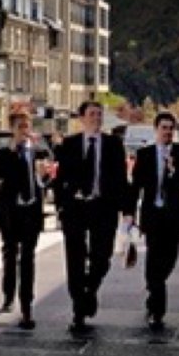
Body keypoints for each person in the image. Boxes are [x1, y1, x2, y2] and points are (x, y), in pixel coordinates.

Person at [52, 99, 131, 336]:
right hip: (75, 208)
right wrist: (61, 206)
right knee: (75, 259)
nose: (97, 118)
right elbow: (60, 178)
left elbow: (121, 180)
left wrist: (127, 211)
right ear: (82, 118)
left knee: (101, 257)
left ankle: (90, 290)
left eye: (99, 114)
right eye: (92, 114)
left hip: (103, 207)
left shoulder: (113, 144)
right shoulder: (70, 144)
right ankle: (79, 308)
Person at [129, 111, 179, 331]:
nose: (168, 132)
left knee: (168, 262)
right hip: (153, 215)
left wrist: (174, 171)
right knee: (153, 263)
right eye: (164, 128)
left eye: (171, 128)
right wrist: (129, 214)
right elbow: (136, 187)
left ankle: (153, 293)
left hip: (174, 217)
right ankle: (157, 310)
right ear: (156, 129)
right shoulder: (145, 154)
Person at [0, 110, 46, 331]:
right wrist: (13, 149)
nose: (24, 131)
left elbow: (46, 175)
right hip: (10, 212)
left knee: (28, 257)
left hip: (31, 211)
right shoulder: (6, 152)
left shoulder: (37, 150)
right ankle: (8, 294)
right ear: (12, 129)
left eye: (27, 126)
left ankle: (27, 305)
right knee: (10, 252)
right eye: (20, 127)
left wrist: (45, 173)